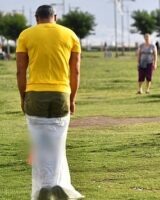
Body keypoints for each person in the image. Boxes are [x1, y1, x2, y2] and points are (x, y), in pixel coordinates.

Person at [16, 5, 84, 200]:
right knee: (56, 142)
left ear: (37, 18)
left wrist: (23, 97)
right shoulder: (70, 35)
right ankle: (56, 183)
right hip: (61, 94)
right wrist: (72, 99)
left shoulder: (26, 35)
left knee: (39, 143)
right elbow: (76, 71)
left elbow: (21, 71)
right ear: (55, 17)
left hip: (35, 94)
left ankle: (43, 187)